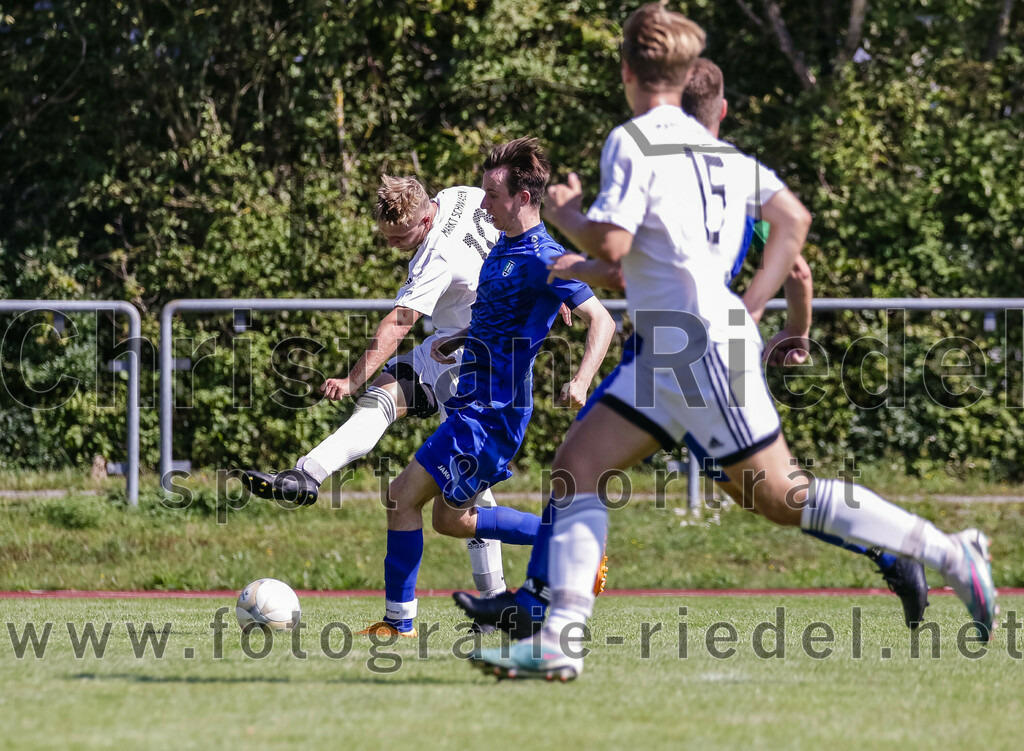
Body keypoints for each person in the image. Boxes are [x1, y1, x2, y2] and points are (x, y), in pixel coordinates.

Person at [462, 3, 995, 681]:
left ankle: (951, 553)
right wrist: (750, 299)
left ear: (627, 70)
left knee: (782, 496)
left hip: (695, 349)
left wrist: (567, 214)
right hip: (672, 349)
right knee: (577, 465)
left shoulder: (633, 140)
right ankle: (559, 638)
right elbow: (791, 218)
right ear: (684, 75)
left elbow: (615, 244)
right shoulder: (720, 154)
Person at [530, 57, 929, 631]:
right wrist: (794, 333)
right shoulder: (732, 175)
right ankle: (894, 555)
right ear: (720, 110)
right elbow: (799, 272)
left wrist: (568, 263)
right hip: (709, 345)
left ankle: (541, 606)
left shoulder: (667, 166)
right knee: (753, 492)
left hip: (685, 351)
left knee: (591, 464)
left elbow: (621, 261)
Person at [243, 175, 560, 606]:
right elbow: (526, 228)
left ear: (426, 219)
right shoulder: (461, 198)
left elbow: (399, 321)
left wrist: (351, 378)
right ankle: (307, 474)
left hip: (475, 370)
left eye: (399, 237)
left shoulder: (436, 256)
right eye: (386, 237)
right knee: (386, 401)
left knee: (465, 504)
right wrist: (553, 280)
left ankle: (513, 585)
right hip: (448, 349)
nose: (393, 245)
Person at [358, 137, 615, 637]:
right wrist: (459, 338)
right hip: (472, 404)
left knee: (407, 500)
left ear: (523, 197)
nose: (484, 203)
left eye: (493, 195)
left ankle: (400, 622)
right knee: (445, 518)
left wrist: (581, 380)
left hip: (491, 415)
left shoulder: (545, 256)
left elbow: (601, 320)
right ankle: (569, 546)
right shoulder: (502, 245)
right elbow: (500, 315)